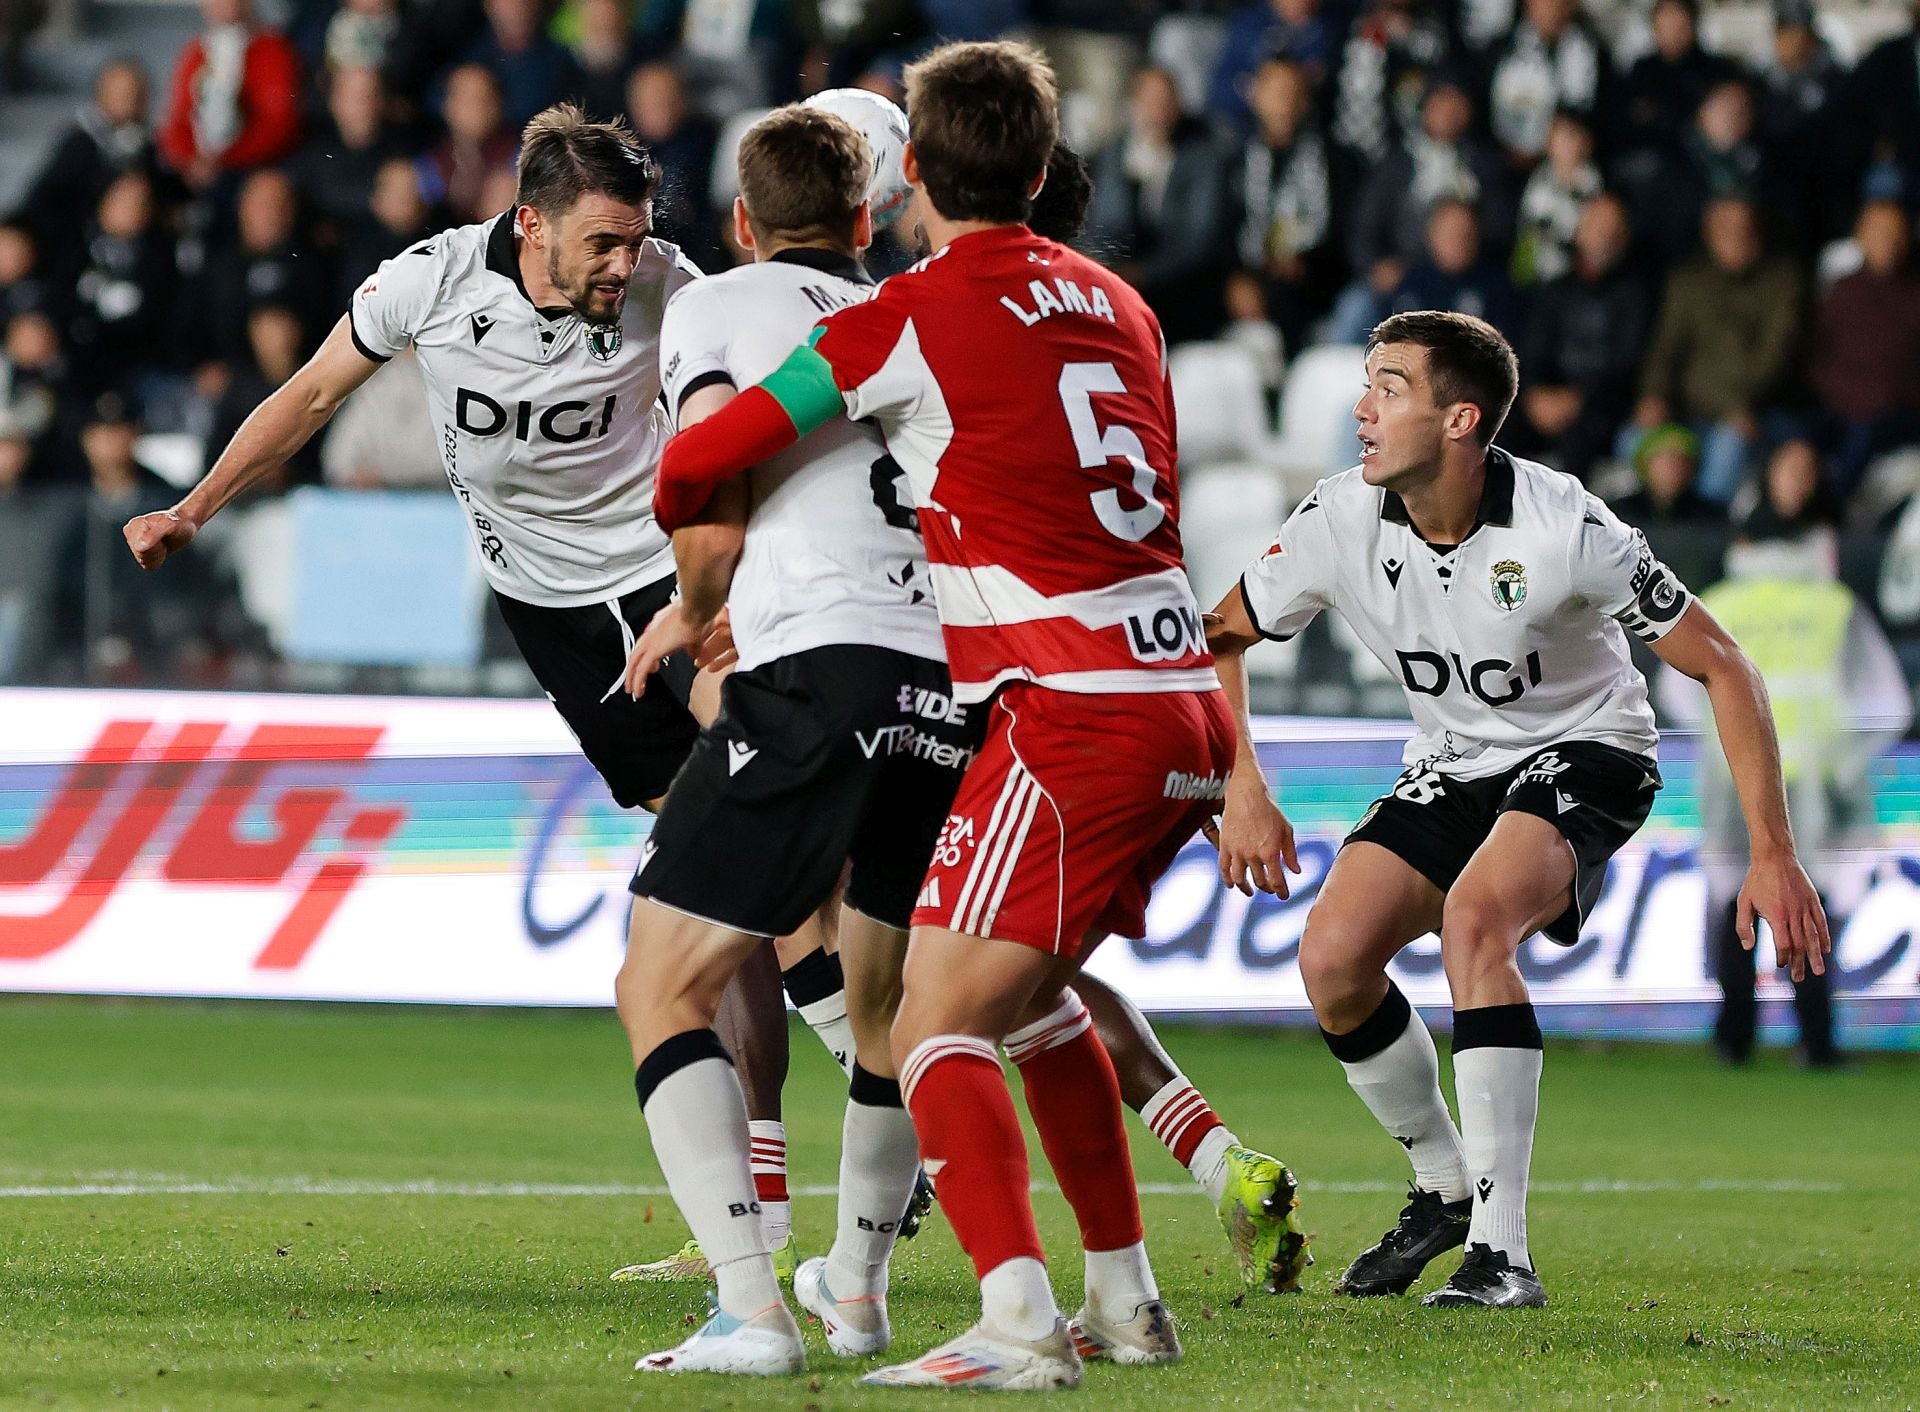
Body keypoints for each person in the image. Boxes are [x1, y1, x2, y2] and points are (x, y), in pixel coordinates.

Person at [647, 40, 1306, 1388]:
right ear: (1047, 166)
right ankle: (1123, 1303)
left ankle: (1016, 1326)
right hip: (1182, 705)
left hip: (1071, 714)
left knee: (931, 1024)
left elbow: (709, 451)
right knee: (1038, 1005)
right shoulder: (1126, 305)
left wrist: (687, 534)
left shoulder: (912, 313)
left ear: (910, 185)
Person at [121, 103, 866, 1277]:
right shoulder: (426, 285)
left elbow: (786, 391)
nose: (628, 263)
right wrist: (194, 508)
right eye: (604, 244)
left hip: (679, 585)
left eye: (639, 240)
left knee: (750, 862)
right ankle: (775, 1197)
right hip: (557, 618)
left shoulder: (676, 285)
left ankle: (882, 1097)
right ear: (530, 224)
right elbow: (311, 398)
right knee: (719, 885)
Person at [1207, 310, 1829, 1308]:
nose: (1361, 409)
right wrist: (1242, 779)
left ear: (1461, 420)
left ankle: (1502, 1253)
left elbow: (1723, 662)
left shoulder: (1566, 527)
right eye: (1365, 382)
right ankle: (1445, 1185)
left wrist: (1773, 849)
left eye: (1390, 388)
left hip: (1589, 749)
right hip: (1455, 761)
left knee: (1476, 918)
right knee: (1331, 957)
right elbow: (1219, 635)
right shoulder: (1336, 518)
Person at [610, 103, 969, 1378]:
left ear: (742, 224)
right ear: (868, 220)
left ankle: (751, 1309)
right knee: (881, 1008)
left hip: (820, 663)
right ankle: (859, 1295)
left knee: (660, 983)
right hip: (946, 676)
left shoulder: (720, 308)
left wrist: (694, 614)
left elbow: (709, 490)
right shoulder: (914, 312)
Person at [1636, 196, 1805, 504]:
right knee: (1635, 439)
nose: (1736, 238)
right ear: (1708, 234)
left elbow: (1775, 358)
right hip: (1690, 409)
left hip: (1757, 409)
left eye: (1744, 229)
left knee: (1730, 443)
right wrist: (1654, 395)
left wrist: (1737, 407)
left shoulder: (1782, 281)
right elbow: (1666, 350)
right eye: (1725, 229)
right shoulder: (1688, 282)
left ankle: (1707, 532)